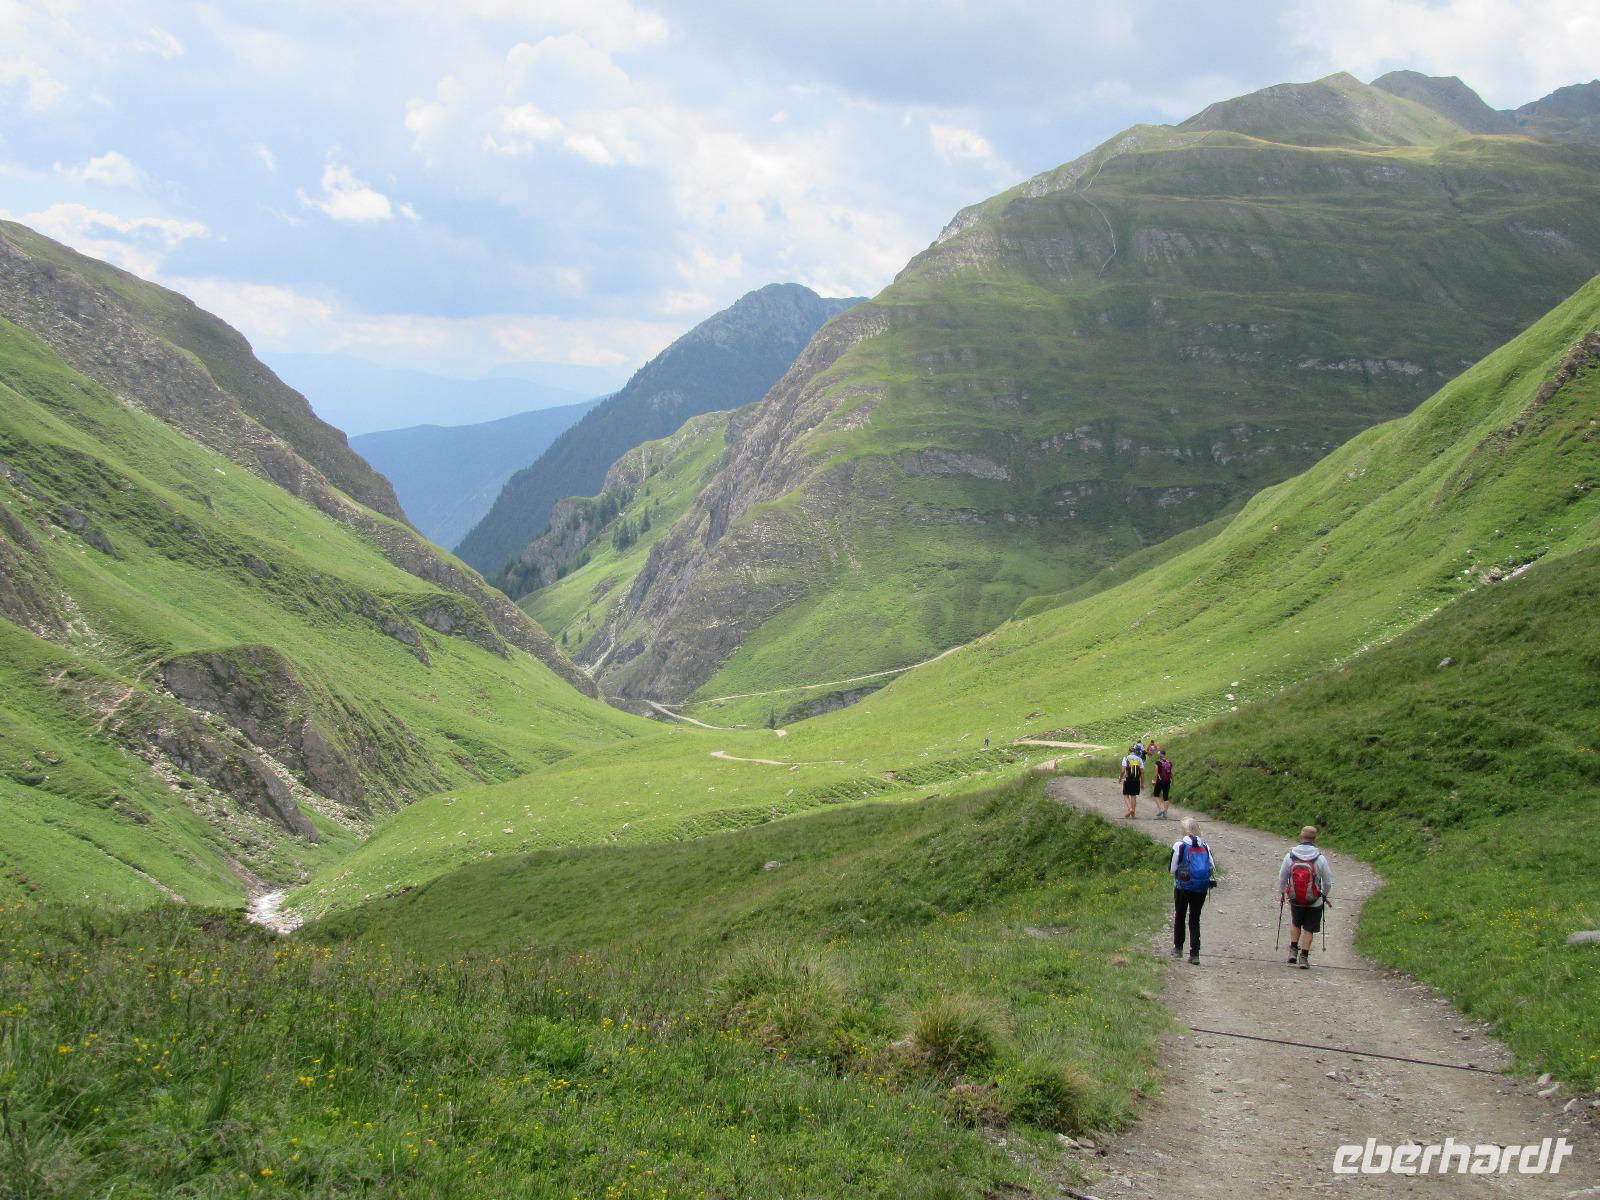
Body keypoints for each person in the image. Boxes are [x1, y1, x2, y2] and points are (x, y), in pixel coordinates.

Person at [1278, 825, 1333, 969]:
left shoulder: (1291, 856)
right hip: (1314, 900)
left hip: (1295, 898)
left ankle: (1292, 951)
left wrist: (1282, 892)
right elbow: (1327, 882)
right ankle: (1304, 957)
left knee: (1296, 922)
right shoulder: (1320, 858)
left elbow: (1283, 876)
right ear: (1315, 839)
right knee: (1309, 928)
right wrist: (1324, 894)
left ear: (1301, 837)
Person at [1170, 817, 1216, 964]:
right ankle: (1195, 953)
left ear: (1183, 829)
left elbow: (1172, 869)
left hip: (1182, 886)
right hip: (1201, 887)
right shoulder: (1205, 846)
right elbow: (1212, 867)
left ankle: (1178, 949)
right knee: (1194, 919)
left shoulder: (1180, 845)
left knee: (1180, 916)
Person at [1119, 746, 1144, 817]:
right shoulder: (1139, 759)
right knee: (1133, 796)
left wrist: (1120, 778)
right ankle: (1133, 813)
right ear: (1135, 752)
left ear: (1128, 752)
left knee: (1126, 795)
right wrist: (1142, 783)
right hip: (1136, 780)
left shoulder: (1126, 758)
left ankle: (1130, 809)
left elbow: (1123, 770)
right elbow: (1142, 772)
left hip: (1128, 779)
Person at [1152, 751, 1173, 818]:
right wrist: (1173, 780)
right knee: (1166, 797)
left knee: (1156, 794)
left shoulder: (1158, 762)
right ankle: (1165, 813)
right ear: (1164, 755)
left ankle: (1161, 809)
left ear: (1159, 755)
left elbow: (1156, 772)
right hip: (1167, 781)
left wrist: (1154, 780)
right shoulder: (1169, 762)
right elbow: (1171, 773)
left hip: (1160, 781)